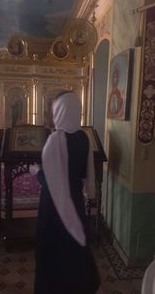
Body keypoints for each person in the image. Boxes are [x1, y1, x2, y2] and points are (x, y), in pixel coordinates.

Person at [31, 91, 100, 294]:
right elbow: (82, 173)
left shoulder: (55, 140)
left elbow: (50, 182)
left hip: (53, 207)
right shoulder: (83, 138)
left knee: (52, 247)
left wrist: (36, 172)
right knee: (73, 245)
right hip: (75, 201)